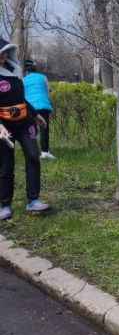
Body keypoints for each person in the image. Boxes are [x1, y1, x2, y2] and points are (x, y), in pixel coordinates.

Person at [0, 39, 51, 221]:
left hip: (24, 121)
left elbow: (21, 98)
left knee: (32, 155)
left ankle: (33, 200)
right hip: (4, 126)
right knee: (6, 164)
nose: (4, 56)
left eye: (6, 52)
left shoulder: (15, 72)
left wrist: (35, 114)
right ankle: (5, 205)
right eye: (1, 53)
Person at [23, 59, 56, 159]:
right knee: (44, 127)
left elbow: (22, 95)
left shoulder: (23, 80)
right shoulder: (43, 77)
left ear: (26, 71)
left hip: (30, 107)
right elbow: (46, 91)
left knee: (31, 128)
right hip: (43, 105)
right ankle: (45, 151)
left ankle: (33, 150)